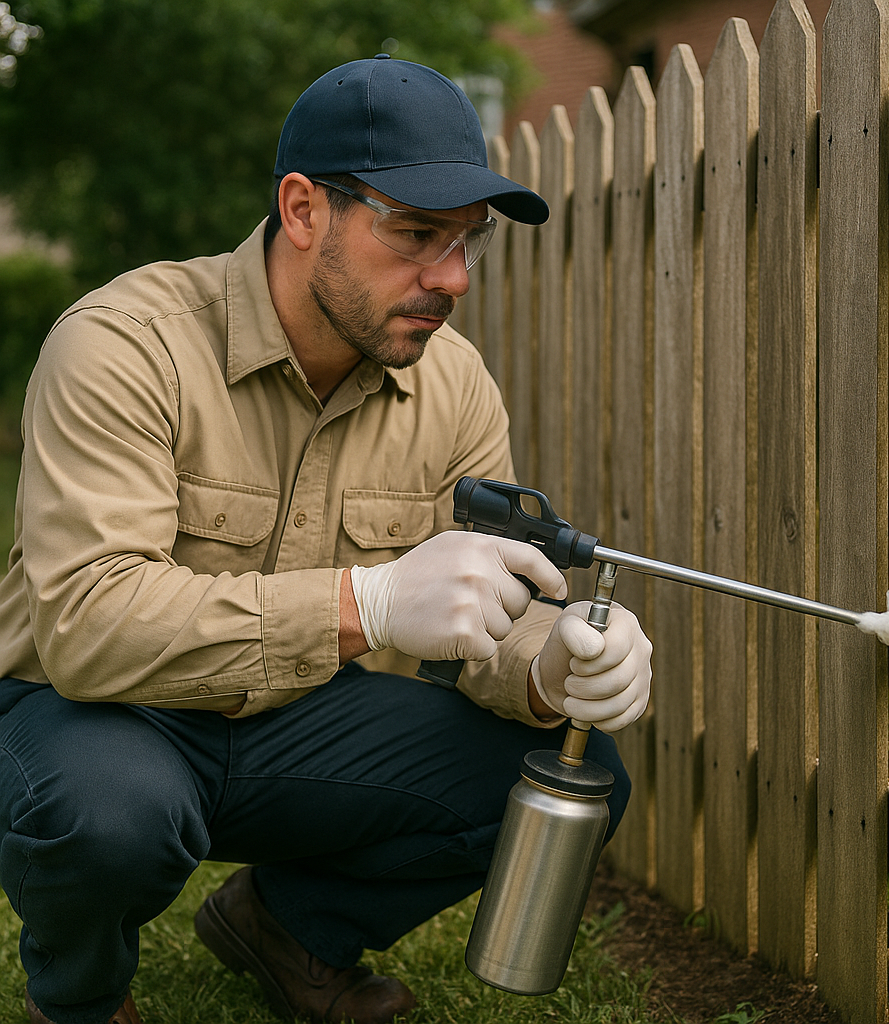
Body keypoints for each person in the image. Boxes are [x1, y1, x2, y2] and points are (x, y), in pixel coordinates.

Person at [0, 55, 652, 1024]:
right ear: (303, 210)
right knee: (111, 814)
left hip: (295, 721)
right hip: (95, 708)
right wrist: (369, 602)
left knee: (573, 777)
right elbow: (88, 625)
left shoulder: (454, 383)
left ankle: (287, 928)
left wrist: (551, 663)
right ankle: (86, 995)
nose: (453, 278)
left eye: (468, 242)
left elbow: (492, 609)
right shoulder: (122, 343)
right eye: (418, 234)